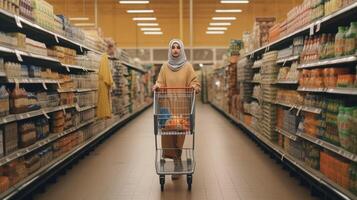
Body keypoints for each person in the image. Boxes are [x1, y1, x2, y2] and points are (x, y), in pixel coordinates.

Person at [153, 39, 200, 180]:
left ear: (181, 50)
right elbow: (160, 81)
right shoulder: (164, 67)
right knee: (168, 132)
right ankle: (176, 160)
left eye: (177, 47)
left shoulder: (187, 67)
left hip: (182, 106)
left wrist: (194, 87)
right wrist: (157, 86)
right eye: (173, 47)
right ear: (170, 50)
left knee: (180, 133)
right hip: (167, 106)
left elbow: (194, 81)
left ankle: (177, 158)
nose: (175, 50)